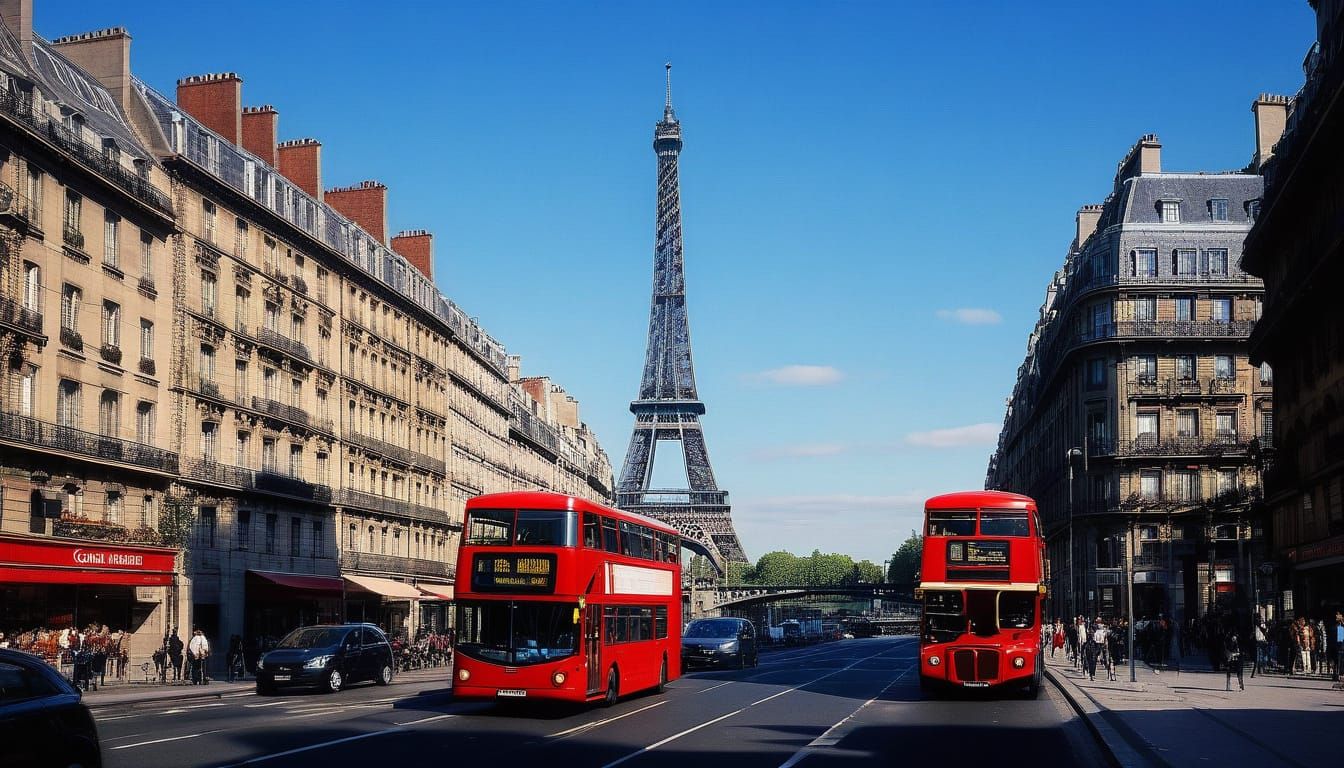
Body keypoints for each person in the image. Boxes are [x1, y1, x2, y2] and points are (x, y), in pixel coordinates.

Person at [1224, 625, 1244, 691]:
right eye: (1233, 637)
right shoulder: (1228, 641)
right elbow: (1226, 650)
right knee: (1230, 671)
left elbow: (1241, 651)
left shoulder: (1239, 641)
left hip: (1237, 658)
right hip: (1231, 658)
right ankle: (1229, 686)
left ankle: (1240, 685)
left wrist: (1236, 654)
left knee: (1239, 671)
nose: (1234, 638)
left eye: (1235, 637)